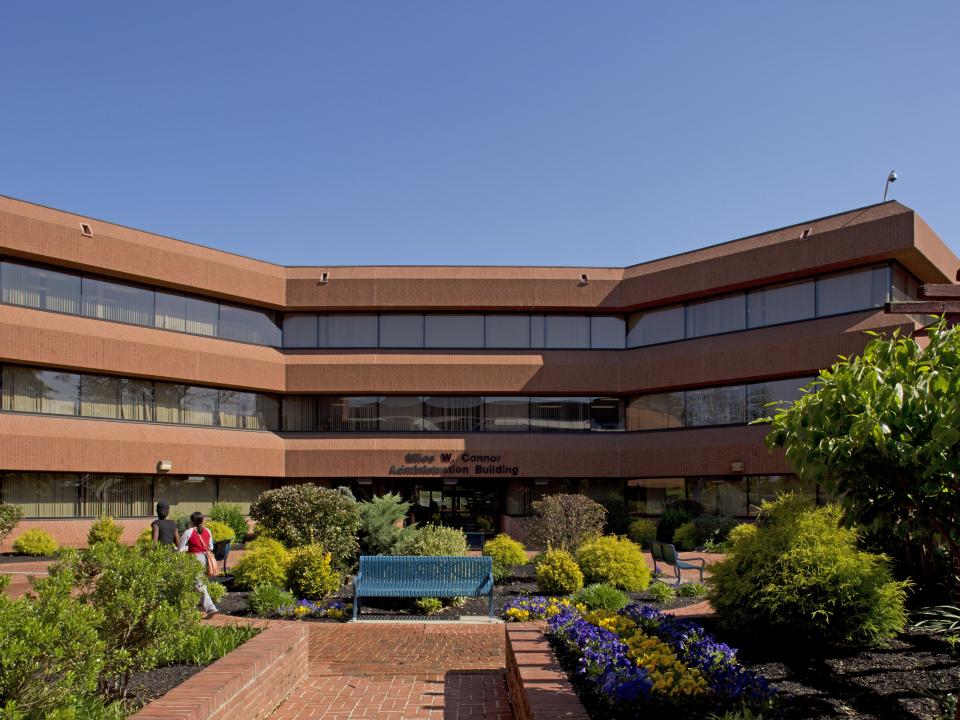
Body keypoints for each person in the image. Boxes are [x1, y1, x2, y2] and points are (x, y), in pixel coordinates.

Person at [177, 512, 218, 617]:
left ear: (191, 521)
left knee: (198, 584)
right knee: (194, 583)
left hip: (194, 560)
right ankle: (189, 608)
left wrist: (187, 549)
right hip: (206, 559)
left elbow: (180, 549)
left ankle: (211, 608)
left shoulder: (188, 532)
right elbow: (211, 547)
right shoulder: (208, 531)